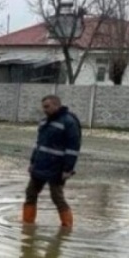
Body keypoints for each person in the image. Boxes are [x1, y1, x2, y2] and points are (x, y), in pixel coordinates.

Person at [23, 95, 82, 228]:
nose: (44, 109)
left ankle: (67, 227)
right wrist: (32, 162)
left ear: (56, 105)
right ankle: (27, 225)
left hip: (57, 168)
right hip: (40, 166)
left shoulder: (69, 122)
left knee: (57, 197)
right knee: (30, 193)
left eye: (47, 107)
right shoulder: (44, 122)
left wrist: (67, 169)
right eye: (43, 107)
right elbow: (38, 144)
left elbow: (73, 148)